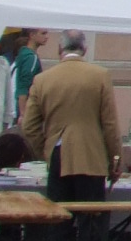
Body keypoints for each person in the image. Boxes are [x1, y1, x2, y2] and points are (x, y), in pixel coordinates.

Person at [20, 32, 122, 202]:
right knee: (91, 215)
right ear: (85, 49)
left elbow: (29, 126)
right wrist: (115, 161)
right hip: (92, 157)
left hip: (57, 154)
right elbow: (110, 125)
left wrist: (45, 151)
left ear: (60, 48)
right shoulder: (100, 76)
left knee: (60, 214)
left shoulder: (42, 80)